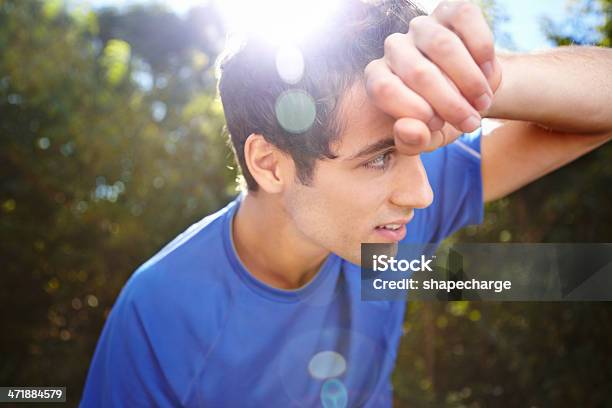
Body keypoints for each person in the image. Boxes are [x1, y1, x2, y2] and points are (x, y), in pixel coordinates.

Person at [80, 0, 612, 406]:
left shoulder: (388, 217)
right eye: (378, 159)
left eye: (422, 148)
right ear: (270, 163)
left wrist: (485, 80)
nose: (421, 193)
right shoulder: (160, 315)